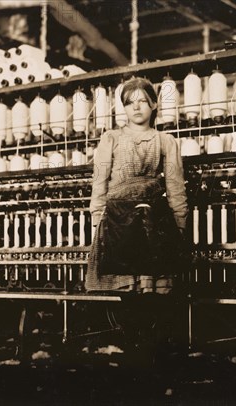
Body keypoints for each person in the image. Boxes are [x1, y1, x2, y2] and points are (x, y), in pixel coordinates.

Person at [86, 77, 189, 294]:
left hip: (153, 221)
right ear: (124, 107)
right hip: (118, 221)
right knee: (126, 290)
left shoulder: (166, 141)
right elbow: (99, 181)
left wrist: (179, 225)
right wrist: (97, 220)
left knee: (155, 292)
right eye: (130, 102)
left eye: (142, 101)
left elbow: (176, 187)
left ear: (154, 104)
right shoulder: (111, 138)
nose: (136, 107)